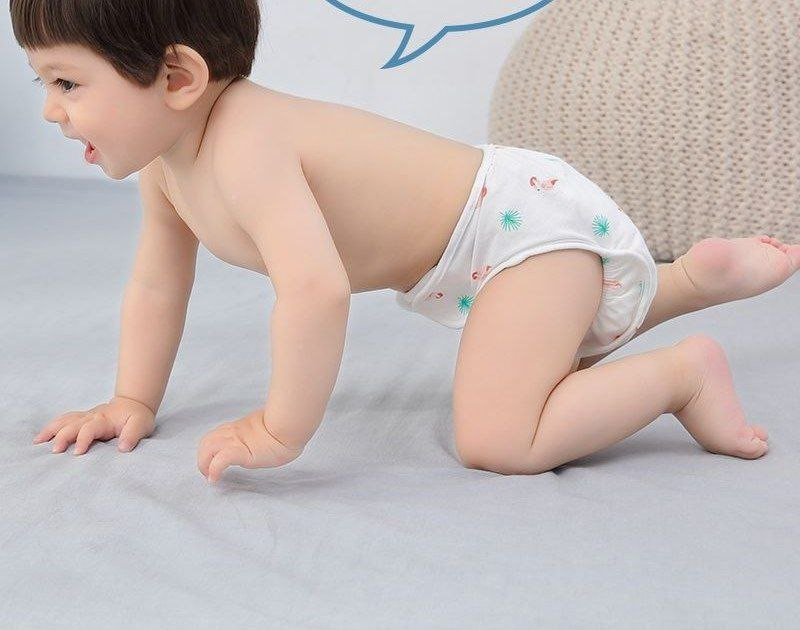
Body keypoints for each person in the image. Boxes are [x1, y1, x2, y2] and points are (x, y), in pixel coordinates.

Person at [15, 0, 800, 482]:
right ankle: (686, 282)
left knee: (501, 437)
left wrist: (281, 427)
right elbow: (158, 285)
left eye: (67, 83)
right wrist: (133, 400)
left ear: (177, 77)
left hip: (517, 234)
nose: (51, 109)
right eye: (43, 83)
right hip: (483, 252)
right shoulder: (169, 165)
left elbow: (314, 289)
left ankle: (681, 376)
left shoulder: (246, 144)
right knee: (539, 346)